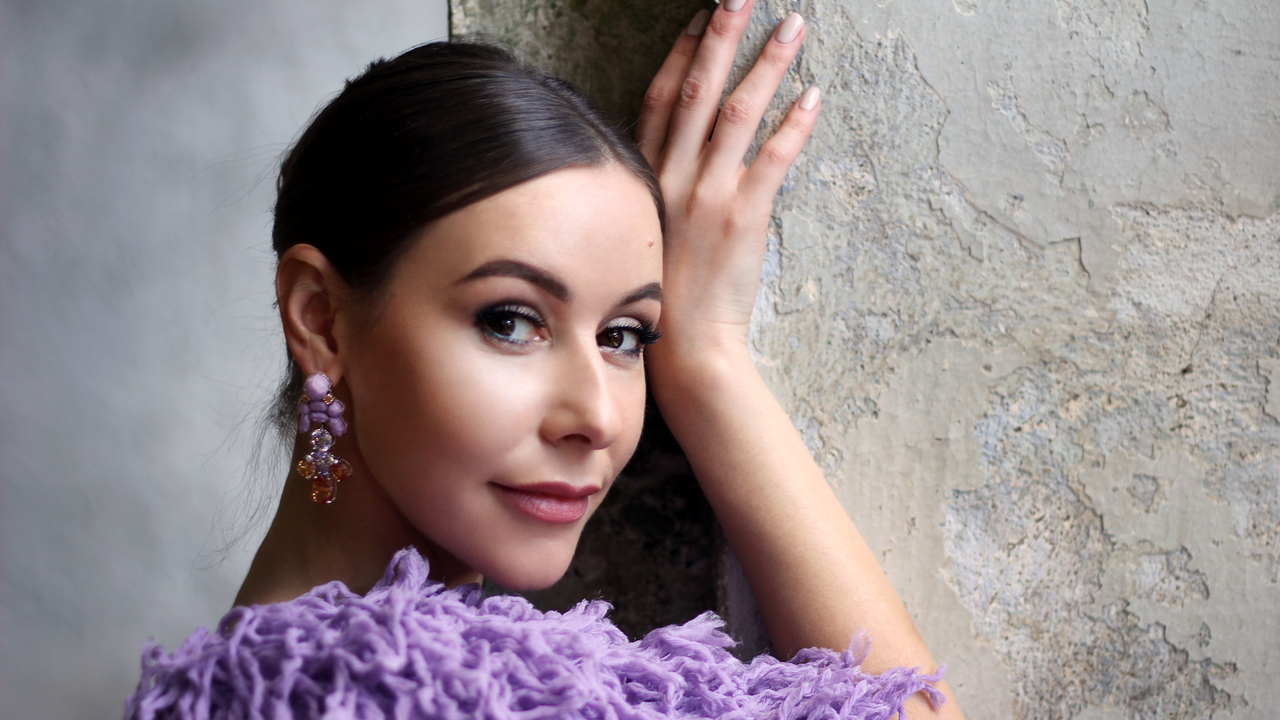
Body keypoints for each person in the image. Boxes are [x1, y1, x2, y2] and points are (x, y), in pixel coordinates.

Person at [126, 2, 963, 718]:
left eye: (625, 335)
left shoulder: (257, 685)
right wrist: (710, 361)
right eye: (511, 321)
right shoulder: (384, 692)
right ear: (321, 320)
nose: (596, 417)